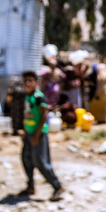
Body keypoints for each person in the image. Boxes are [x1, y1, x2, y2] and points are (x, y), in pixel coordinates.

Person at [20, 71, 64, 201]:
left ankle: (57, 186)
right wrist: (25, 132)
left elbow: (44, 116)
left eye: (30, 81)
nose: (27, 83)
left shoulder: (39, 97)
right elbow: (28, 115)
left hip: (38, 134)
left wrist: (37, 135)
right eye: (25, 81)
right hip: (29, 133)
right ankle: (30, 186)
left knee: (41, 162)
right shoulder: (28, 97)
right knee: (26, 159)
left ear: (36, 83)